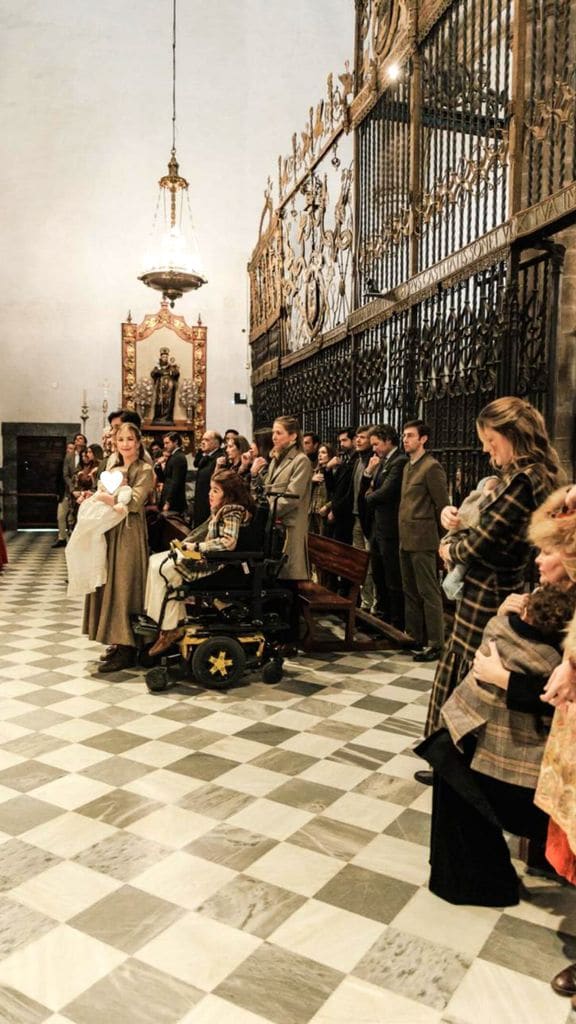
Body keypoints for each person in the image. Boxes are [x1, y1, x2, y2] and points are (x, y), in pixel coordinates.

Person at [415, 576, 576, 907]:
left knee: (452, 759)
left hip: (535, 765)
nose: (539, 561)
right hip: (516, 745)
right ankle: (470, 875)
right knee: (450, 754)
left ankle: (474, 880)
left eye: (549, 551)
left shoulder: (532, 642)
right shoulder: (533, 627)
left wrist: (505, 677)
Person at [423, 397, 563, 746]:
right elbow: (477, 523)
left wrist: (448, 548)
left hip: (490, 588)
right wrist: (452, 520)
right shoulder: (521, 477)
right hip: (491, 584)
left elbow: (479, 544)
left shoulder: (524, 481)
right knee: (466, 665)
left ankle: (452, 750)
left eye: (490, 441)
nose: (487, 450)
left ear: (510, 434)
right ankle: (450, 750)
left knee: (472, 669)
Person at [145, 470, 255, 655]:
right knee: (154, 561)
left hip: (219, 564)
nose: (210, 494)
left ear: (228, 494)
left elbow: (228, 542)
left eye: (215, 491)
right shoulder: (221, 510)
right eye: (211, 490)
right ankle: (163, 620)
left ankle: (169, 627)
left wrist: (196, 548)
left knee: (165, 570)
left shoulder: (232, 510)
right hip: (210, 557)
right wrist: (186, 546)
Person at [82, 423, 154, 672]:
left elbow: (134, 502)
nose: (125, 444)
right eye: (120, 439)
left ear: (138, 441)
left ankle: (129, 645)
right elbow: (103, 492)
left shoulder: (145, 469)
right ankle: (115, 638)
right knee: (107, 581)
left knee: (124, 583)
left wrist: (104, 498)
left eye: (130, 439)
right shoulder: (111, 467)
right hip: (109, 530)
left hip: (129, 532)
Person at [399, 420, 449, 661]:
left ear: (423, 439)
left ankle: (435, 642)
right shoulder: (409, 466)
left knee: (428, 591)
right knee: (410, 590)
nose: (405, 440)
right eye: (404, 436)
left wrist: (443, 542)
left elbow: (442, 506)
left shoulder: (432, 467)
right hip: (405, 537)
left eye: (410, 436)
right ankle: (415, 635)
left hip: (424, 539)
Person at [265, 416, 313, 643]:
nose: (274, 437)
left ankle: (290, 638)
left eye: (279, 433)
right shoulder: (276, 459)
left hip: (289, 529)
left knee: (288, 583)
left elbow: (292, 498)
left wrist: (267, 510)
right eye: (273, 433)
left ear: (293, 436)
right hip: (276, 529)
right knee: (276, 582)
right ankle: (276, 633)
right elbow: (268, 489)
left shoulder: (300, 461)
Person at [362, 425, 408, 629]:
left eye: (376, 444)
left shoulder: (399, 461)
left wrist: (370, 495)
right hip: (378, 526)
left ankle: (395, 621)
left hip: (390, 528)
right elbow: (371, 488)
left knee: (392, 578)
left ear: (388, 440)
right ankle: (382, 616)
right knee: (379, 574)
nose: (374, 449)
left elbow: (386, 492)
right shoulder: (383, 462)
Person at [441, 475, 499, 602]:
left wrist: (447, 550)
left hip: (486, 583)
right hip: (465, 543)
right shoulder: (479, 495)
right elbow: (467, 509)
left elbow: (473, 548)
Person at [193, 430, 224, 526]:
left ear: (216, 443)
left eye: (206, 440)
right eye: (202, 439)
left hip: (209, 502)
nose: (202, 442)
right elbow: (196, 464)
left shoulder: (219, 458)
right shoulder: (205, 456)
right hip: (201, 500)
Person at [309, 442, 335, 535]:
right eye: (319, 453)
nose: (320, 455)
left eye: (324, 452)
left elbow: (336, 493)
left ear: (330, 455)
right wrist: (311, 481)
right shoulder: (315, 471)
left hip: (325, 511)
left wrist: (328, 507)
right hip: (312, 511)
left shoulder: (334, 471)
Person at [151, 347, 180, 423]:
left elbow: (176, 373)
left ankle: (168, 418)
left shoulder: (171, 366)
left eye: (166, 357)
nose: (165, 358)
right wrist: (159, 371)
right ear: (161, 357)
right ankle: (158, 418)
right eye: (163, 357)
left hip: (169, 390)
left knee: (169, 403)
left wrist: (172, 371)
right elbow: (153, 373)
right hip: (160, 389)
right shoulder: (157, 367)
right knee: (159, 402)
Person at [161, 432, 188, 513]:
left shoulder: (179, 457)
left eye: (167, 443)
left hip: (174, 502)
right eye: (164, 443)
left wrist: (168, 502)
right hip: (167, 497)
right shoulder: (173, 456)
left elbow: (176, 482)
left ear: (175, 442)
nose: (165, 446)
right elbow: (164, 478)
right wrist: (158, 466)